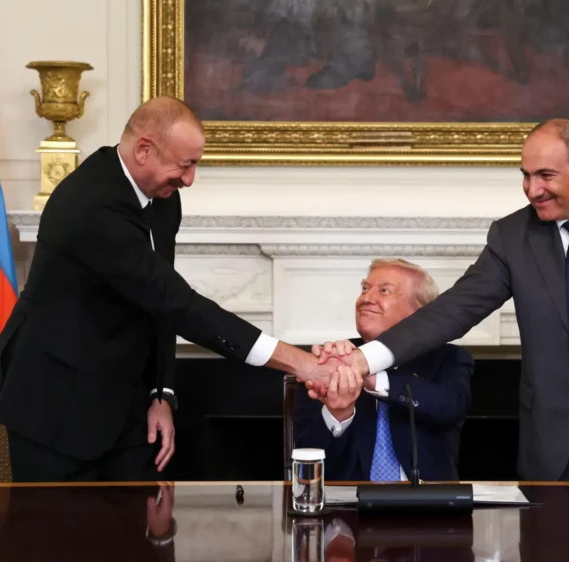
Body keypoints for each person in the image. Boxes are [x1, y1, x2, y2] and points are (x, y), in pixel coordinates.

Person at [315, 119, 569, 482]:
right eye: (526, 175)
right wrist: (364, 359)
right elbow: (452, 311)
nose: (533, 190)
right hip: (563, 441)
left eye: (546, 176)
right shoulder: (512, 237)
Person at [0, 97, 335, 483]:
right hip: (54, 403)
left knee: (137, 519)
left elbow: (157, 304)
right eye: (185, 165)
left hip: (125, 401)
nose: (190, 180)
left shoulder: (162, 198)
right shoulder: (90, 206)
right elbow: (179, 304)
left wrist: (161, 392)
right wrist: (300, 362)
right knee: (55, 523)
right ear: (144, 149)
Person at [294, 258, 474, 481]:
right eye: (365, 288)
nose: (366, 299)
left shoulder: (448, 358)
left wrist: (374, 377)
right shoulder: (329, 361)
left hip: (427, 499)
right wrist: (337, 414)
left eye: (384, 291)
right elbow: (306, 461)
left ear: (421, 314)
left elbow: (451, 407)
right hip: (346, 500)